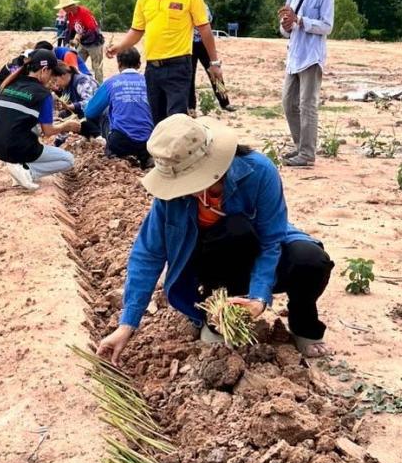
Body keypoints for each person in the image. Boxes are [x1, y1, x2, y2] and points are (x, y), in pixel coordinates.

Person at [97, 114, 334, 366]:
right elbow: (148, 253)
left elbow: (271, 241)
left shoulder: (259, 172)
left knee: (310, 260)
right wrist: (127, 324)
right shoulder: (170, 196)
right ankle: (216, 315)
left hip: (260, 247)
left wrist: (259, 297)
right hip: (211, 264)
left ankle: (303, 324)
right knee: (231, 233)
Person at [107, 0, 223, 125]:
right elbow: (137, 30)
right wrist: (119, 47)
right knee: (156, 120)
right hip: (152, 68)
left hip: (178, 66)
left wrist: (214, 63)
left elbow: (204, 28)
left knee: (175, 121)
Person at [0, 50, 82, 191]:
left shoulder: (10, 84)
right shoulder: (43, 94)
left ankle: (19, 168)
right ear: (44, 70)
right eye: (52, 74)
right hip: (17, 147)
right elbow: (48, 131)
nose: (51, 79)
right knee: (68, 160)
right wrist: (66, 126)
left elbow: (16, 117)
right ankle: (27, 171)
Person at [277, 0, 335, 167]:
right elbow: (287, 30)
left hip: (311, 56)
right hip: (294, 55)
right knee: (288, 103)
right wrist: (285, 25)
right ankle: (300, 146)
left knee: (307, 104)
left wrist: (300, 20)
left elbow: (327, 26)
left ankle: (307, 153)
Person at [83, 47, 154, 167]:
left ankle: (112, 151)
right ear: (139, 64)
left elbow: (89, 112)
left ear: (119, 64)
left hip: (120, 141)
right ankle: (146, 158)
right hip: (149, 142)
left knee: (105, 111)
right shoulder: (149, 82)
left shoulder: (112, 82)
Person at [55, 0, 106, 83]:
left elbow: (92, 29)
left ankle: (100, 85)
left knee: (96, 67)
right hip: (83, 43)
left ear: (69, 6)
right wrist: (67, 42)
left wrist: (79, 37)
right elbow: (70, 30)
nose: (63, 9)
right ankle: (78, 83)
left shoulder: (84, 12)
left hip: (94, 42)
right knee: (76, 62)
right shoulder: (70, 15)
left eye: (64, 7)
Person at [188, 19, 235, 113]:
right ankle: (191, 106)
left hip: (204, 44)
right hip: (189, 44)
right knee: (190, 76)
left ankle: (225, 102)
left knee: (215, 75)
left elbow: (209, 25)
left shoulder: (206, 11)